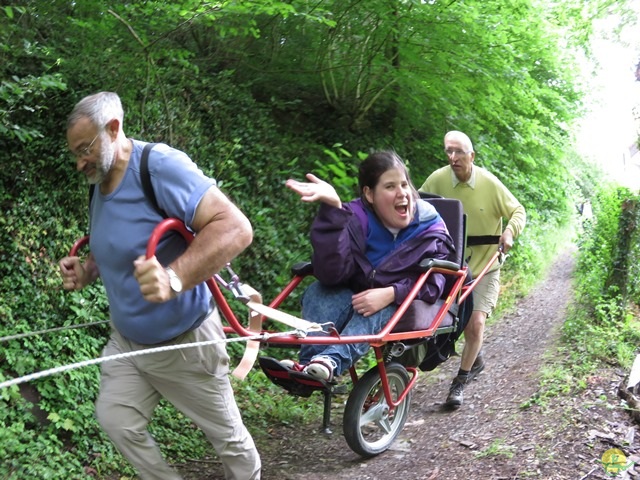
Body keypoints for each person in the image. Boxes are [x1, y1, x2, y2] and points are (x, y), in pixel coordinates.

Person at [59, 92, 261, 480]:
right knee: (116, 419)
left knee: (228, 439)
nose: (79, 161)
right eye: (75, 153)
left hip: (183, 343)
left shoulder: (158, 166)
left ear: (113, 129)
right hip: (127, 343)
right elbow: (115, 247)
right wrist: (87, 271)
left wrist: (173, 277)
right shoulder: (98, 183)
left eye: (85, 148)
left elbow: (235, 227)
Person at [274, 151, 455, 383]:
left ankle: (331, 360)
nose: (402, 193)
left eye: (404, 184)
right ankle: (309, 364)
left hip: (402, 299)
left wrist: (392, 293)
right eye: (390, 187)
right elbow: (332, 274)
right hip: (356, 290)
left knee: (375, 307)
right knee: (319, 291)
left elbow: (436, 282)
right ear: (369, 194)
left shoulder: (431, 229)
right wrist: (332, 209)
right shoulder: (352, 218)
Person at [419, 130, 526, 409]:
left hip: (485, 265)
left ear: (471, 156)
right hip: (451, 265)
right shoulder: (437, 180)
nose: (453, 158)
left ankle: (460, 381)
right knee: (448, 322)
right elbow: (417, 210)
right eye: (448, 152)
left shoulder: (489, 184)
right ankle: (473, 356)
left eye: (458, 152)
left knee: (475, 322)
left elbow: (518, 211)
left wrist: (510, 233)